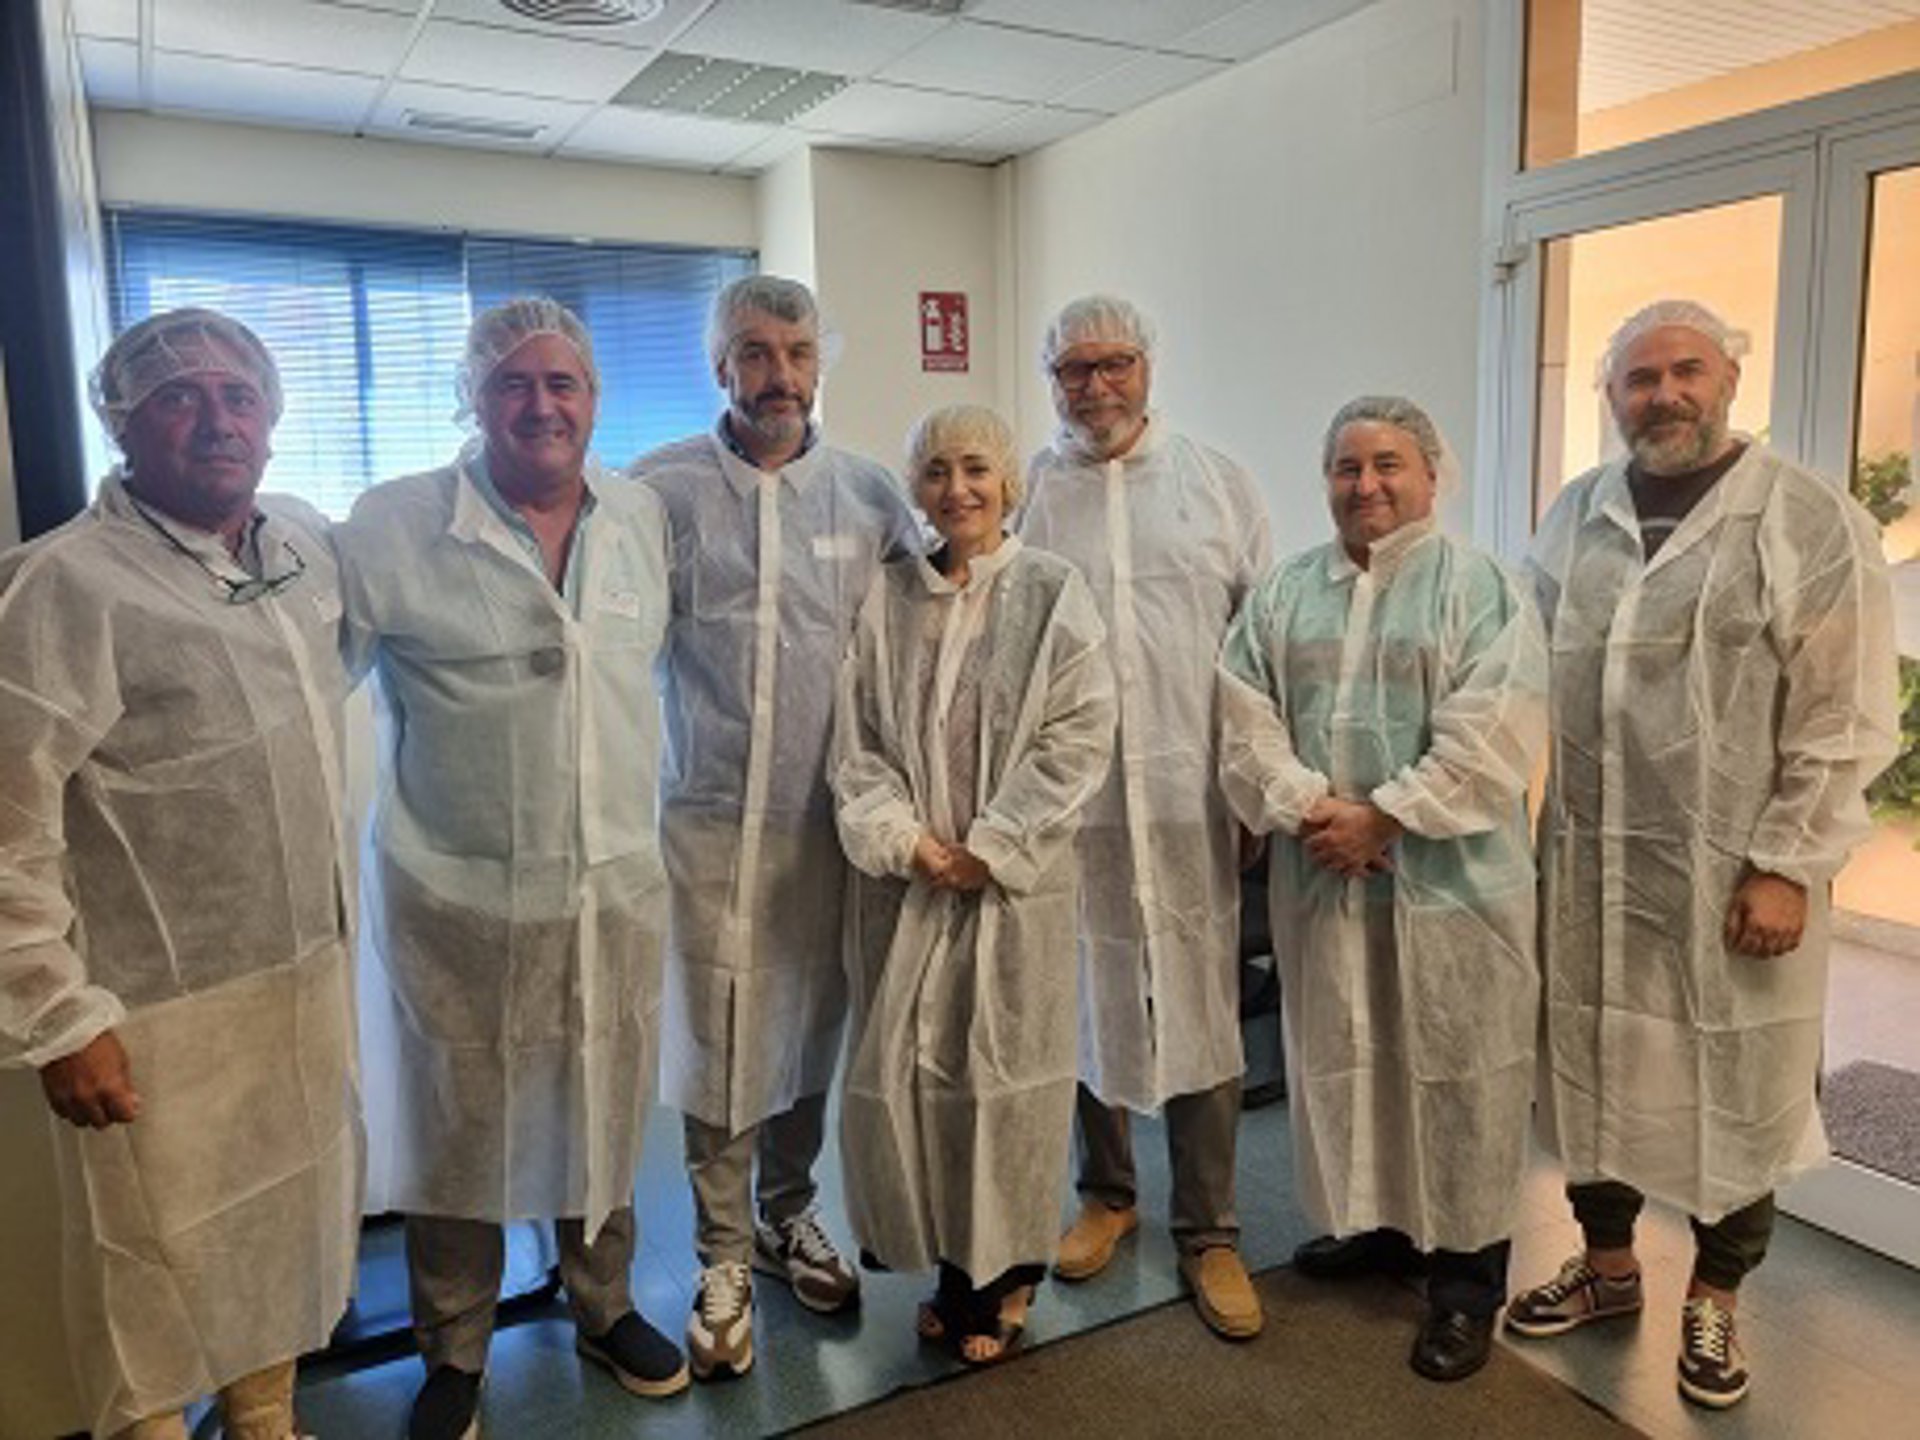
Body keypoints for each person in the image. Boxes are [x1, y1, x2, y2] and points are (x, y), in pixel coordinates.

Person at [1507, 300, 1898, 1410]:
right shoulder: (1579, 512)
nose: (1664, 394)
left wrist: (1788, 862)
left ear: (1729, 380)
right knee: (1592, 1059)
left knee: (1740, 1082)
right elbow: (1520, 664)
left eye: (1686, 371)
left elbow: (1844, 710)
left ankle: (1716, 1298)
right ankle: (1609, 1268)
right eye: (1640, 378)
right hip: (1590, 861)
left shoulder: (1805, 516)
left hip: (1738, 871)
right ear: (1612, 397)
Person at [0, 309, 360, 1440]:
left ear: (272, 417)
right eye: (178, 398)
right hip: (155, 1013)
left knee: (281, 1233)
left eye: (238, 396)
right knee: (150, 1273)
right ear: (123, 421)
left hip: (302, 984)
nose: (217, 422)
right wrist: (58, 1019)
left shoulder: (297, 552)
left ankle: (265, 1422)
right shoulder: (64, 586)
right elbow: (8, 826)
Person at [335, 298, 684, 1440]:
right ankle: (455, 1352)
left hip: (612, 883)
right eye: (513, 384)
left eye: (562, 383)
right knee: (461, 1124)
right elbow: (309, 674)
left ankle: (604, 1304)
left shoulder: (638, 516)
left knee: (604, 1101)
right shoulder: (396, 526)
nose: (541, 405)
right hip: (458, 897)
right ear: (473, 400)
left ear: (594, 399)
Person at [1218, 396, 1548, 1382]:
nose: (1366, 485)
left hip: (1454, 895)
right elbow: (1243, 712)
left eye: (1388, 464)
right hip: (1327, 885)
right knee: (1351, 1056)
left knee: (1460, 1073)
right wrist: (1309, 806)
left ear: (1432, 475)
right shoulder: (1287, 592)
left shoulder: (1482, 588)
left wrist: (1387, 816)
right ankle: (1379, 1225)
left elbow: (1496, 730)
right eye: (1347, 467)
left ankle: (1466, 1284)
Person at [630, 275, 918, 1379]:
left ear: (819, 364)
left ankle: (788, 1211)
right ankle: (721, 1254)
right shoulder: (657, 492)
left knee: (806, 1030)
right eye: (754, 353)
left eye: (797, 352)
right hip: (703, 823)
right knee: (719, 1040)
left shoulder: (868, 495)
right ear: (720, 366)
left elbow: (929, 636)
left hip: (827, 824)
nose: (779, 376)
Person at [832, 404, 1117, 1365]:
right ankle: (952, 1268)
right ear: (916, 487)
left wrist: (988, 846)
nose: (958, 489)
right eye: (938, 471)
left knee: (1008, 1082)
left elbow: (1076, 736)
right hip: (910, 885)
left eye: (977, 469)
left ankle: (1006, 1275)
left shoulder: (1052, 593)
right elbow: (858, 743)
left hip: (1009, 891)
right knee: (924, 1078)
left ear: (1009, 482)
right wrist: (911, 843)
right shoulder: (889, 598)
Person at [1017, 294, 1272, 1339]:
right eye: (1073, 370)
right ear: (1053, 381)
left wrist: (1252, 788)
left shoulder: (1216, 484)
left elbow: (1258, 648)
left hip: (1190, 792)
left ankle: (1210, 1228)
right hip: (1074, 801)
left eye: (1113, 363)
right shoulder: (1030, 492)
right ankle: (1107, 1193)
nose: (1095, 387)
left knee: (1203, 997)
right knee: (1088, 989)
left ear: (1148, 366)